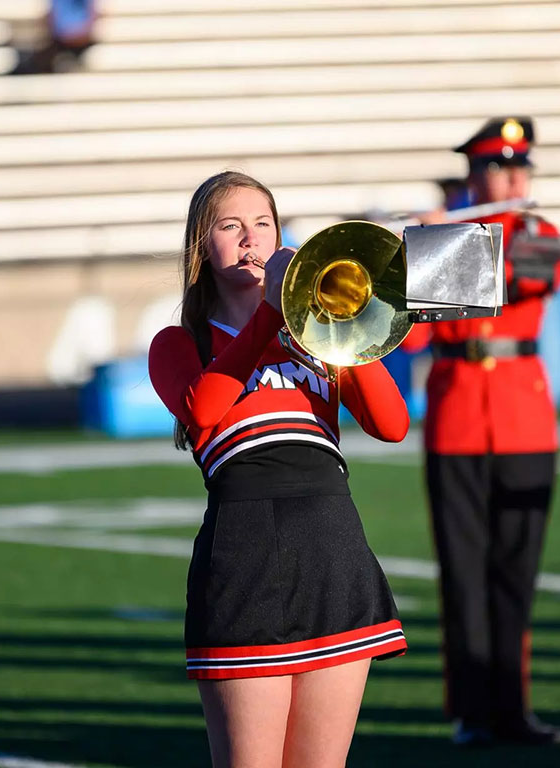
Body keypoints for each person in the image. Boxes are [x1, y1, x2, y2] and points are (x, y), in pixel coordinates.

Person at [148, 171, 409, 767]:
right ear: (201, 246)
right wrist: (268, 317)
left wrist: (342, 327)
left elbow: (391, 424)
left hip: (331, 547)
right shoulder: (180, 343)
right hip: (242, 555)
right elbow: (203, 410)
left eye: (262, 224)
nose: (250, 239)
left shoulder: (319, 337)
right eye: (230, 226)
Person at [404, 116, 560, 746]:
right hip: (455, 419)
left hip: (525, 422)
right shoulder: (440, 236)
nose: (509, 177)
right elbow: (414, 335)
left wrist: (435, 248)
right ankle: (471, 711)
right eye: (496, 168)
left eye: (517, 167)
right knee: (462, 570)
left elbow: (521, 278)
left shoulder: (539, 232)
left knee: (515, 571)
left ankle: (514, 708)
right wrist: (408, 260)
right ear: (474, 177)